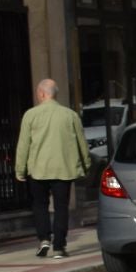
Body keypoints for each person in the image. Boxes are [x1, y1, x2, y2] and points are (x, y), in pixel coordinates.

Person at [13, 78, 91, 258]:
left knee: (40, 205)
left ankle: (44, 239)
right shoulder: (70, 115)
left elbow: (23, 145)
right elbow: (82, 143)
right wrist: (86, 166)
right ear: (55, 94)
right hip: (63, 168)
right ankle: (59, 246)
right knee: (61, 207)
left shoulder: (30, 115)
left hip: (38, 169)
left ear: (41, 93)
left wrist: (20, 169)